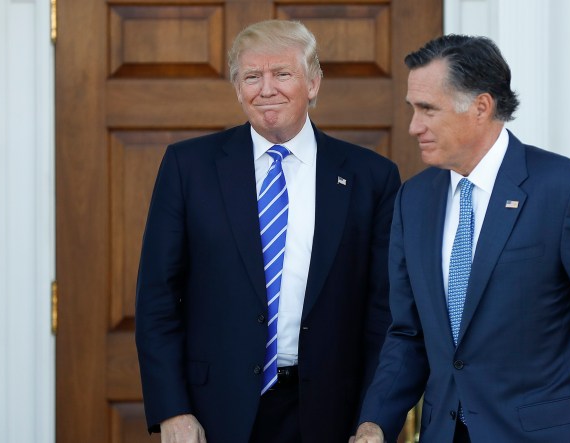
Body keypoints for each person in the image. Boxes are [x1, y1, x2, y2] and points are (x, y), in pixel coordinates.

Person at [351, 35, 570, 442]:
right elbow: (408, 334)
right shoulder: (414, 198)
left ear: (481, 106)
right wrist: (375, 421)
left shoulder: (567, 191)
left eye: (427, 109)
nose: (413, 126)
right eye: (412, 109)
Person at [135, 19, 400, 443]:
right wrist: (172, 410)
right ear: (238, 88)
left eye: (282, 74)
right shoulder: (190, 168)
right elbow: (157, 299)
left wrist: (375, 418)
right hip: (213, 412)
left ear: (313, 84)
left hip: (332, 413)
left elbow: (383, 313)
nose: (266, 88)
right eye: (251, 76)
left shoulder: (372, 177)